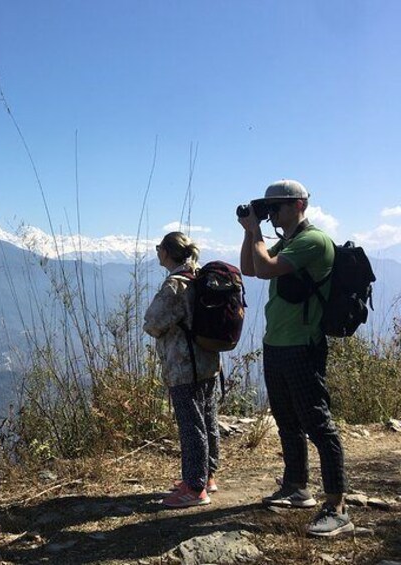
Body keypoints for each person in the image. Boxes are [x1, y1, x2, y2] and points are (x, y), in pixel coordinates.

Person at [238, 179, 353, 537]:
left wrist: (256, 229)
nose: (274, 212)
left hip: (303, 343)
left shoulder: (312, 241)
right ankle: (296, 487)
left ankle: (337, 506)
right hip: (277, 342)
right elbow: (250, 268)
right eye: (269, 207)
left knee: (318, 423)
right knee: (287, 420)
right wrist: (250, 233)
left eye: (280, 206)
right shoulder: (286, 241)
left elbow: (268, 267)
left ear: (300, 204)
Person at [143, 231, 221, 508]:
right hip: (208, 361)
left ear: (166, 252)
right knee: (207, 419)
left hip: (183, 365)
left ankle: (195, 489)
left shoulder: (176, 284)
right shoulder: (201, 278)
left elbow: (152, 323)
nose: (157, 252)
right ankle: (207, 475)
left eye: (158, 248)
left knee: (191, 426)